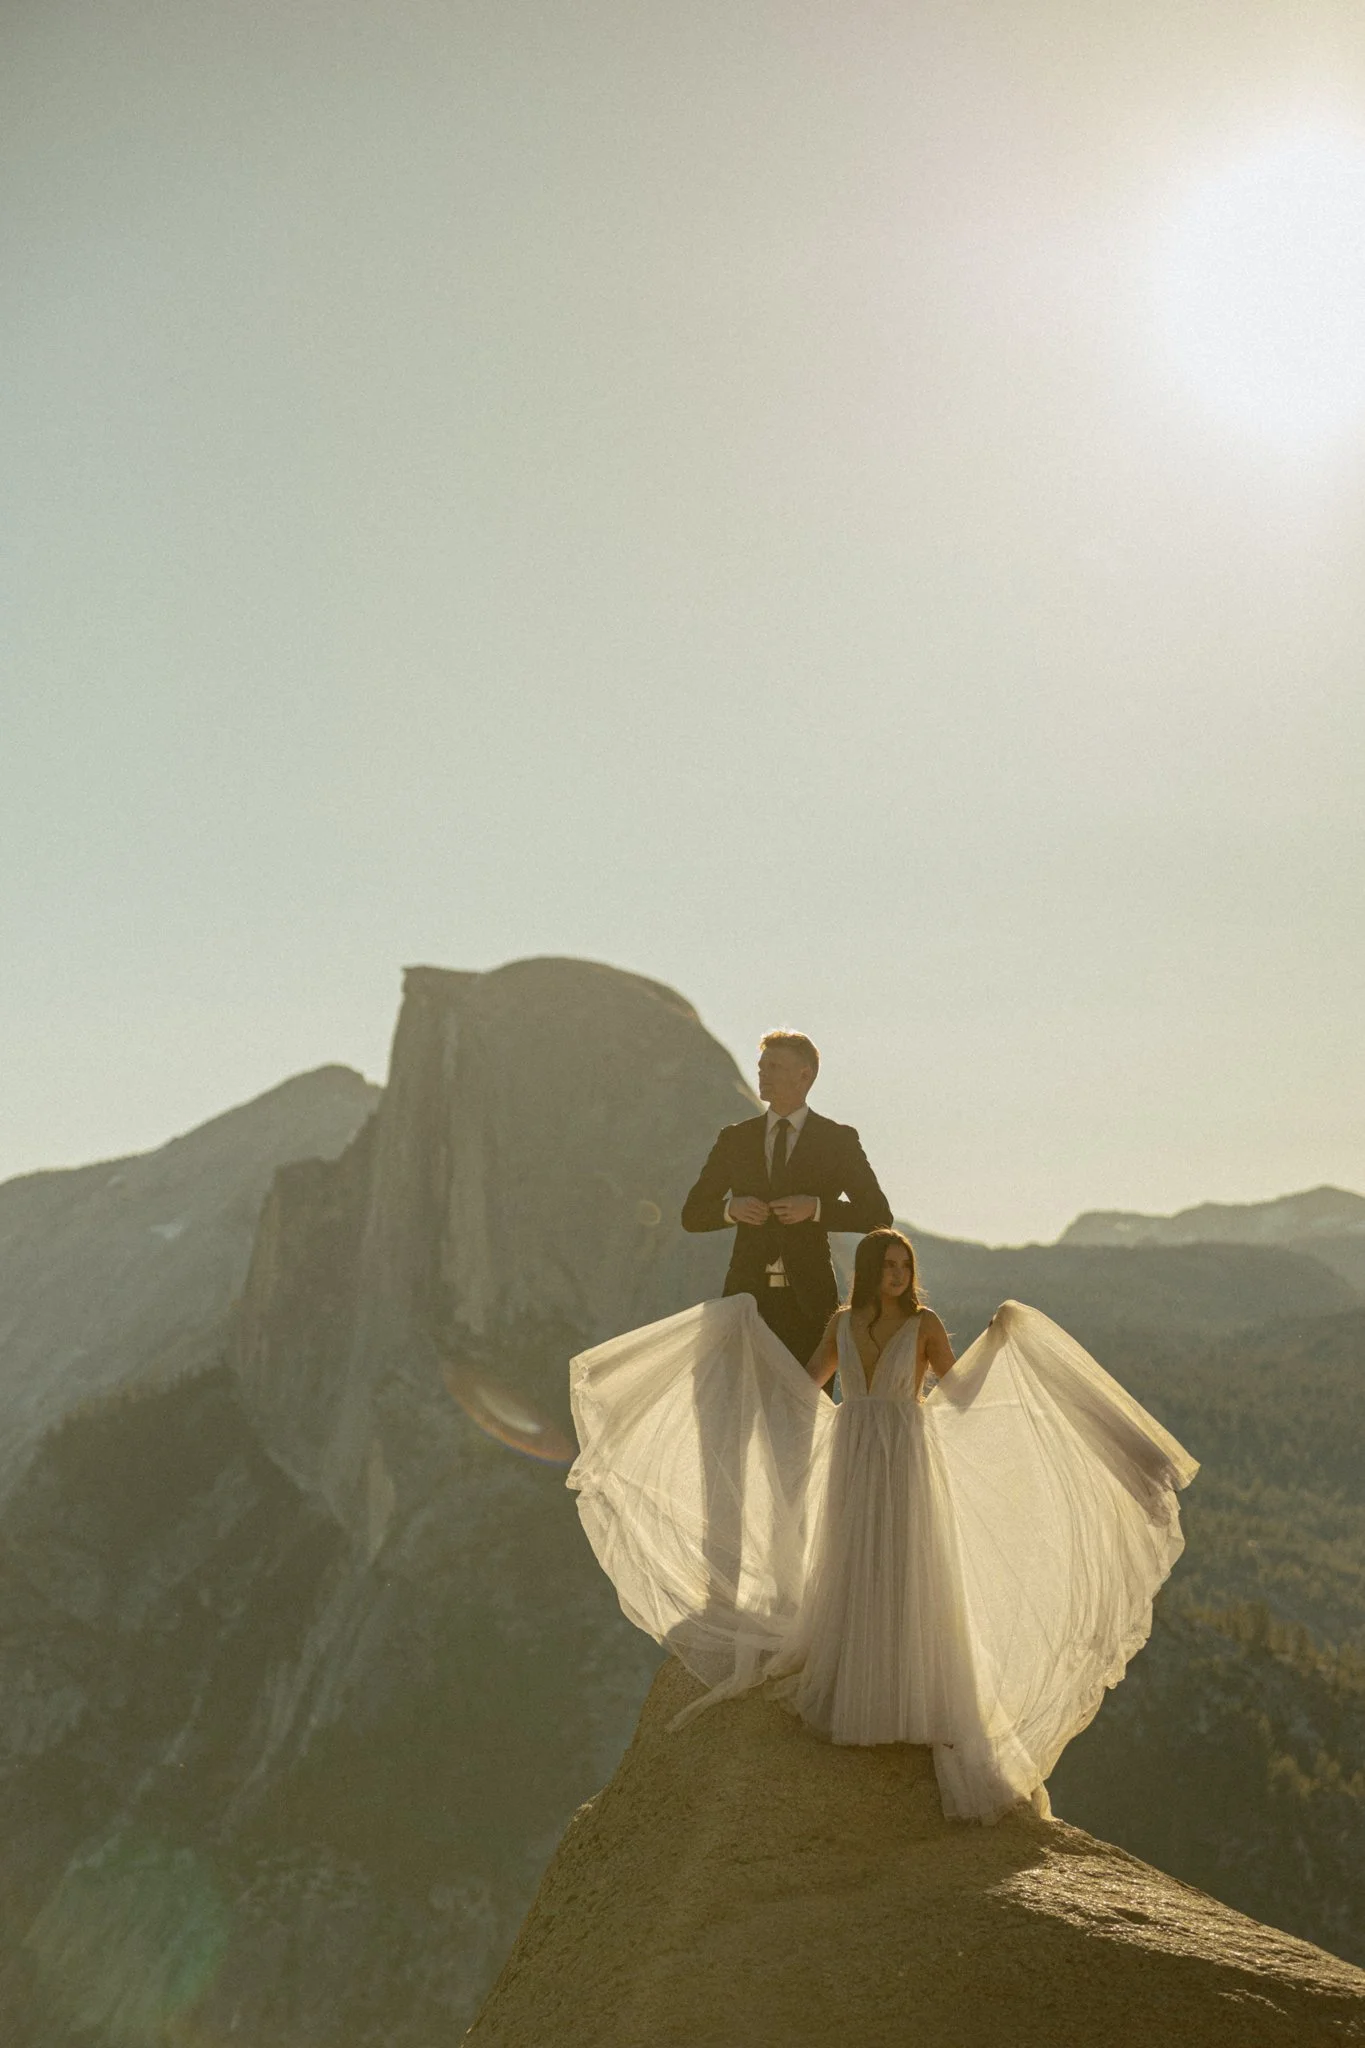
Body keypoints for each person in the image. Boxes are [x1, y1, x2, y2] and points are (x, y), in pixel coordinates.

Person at [567, 1227, 1198, 1823]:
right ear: (869, 1272)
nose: (897, 1276)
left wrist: (1000, 1346)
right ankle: (861, 1698)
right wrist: (747, 1348)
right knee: (853, 1562)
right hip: (853, 1452)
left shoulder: (925, 1325)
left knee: (908, 1564)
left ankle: (912, 1697)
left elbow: (960, 1392)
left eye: (904, 1267)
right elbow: (808, 1384)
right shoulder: (840, 1324)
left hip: (905, 1455)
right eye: (887, 1267)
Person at [681, 1030, 894, 1373]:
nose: (763, 1074)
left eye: (775, 1066)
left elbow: (877, 1214)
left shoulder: (837, 1141)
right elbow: (692, 1215)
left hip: (809, 1307)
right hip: (744, 1301)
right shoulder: (735, 1138)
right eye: (762, 1066)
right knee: (737, 1414)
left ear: (804, 1075)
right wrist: (730, 1210)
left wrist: (816, 1209)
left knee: (804, 1417)